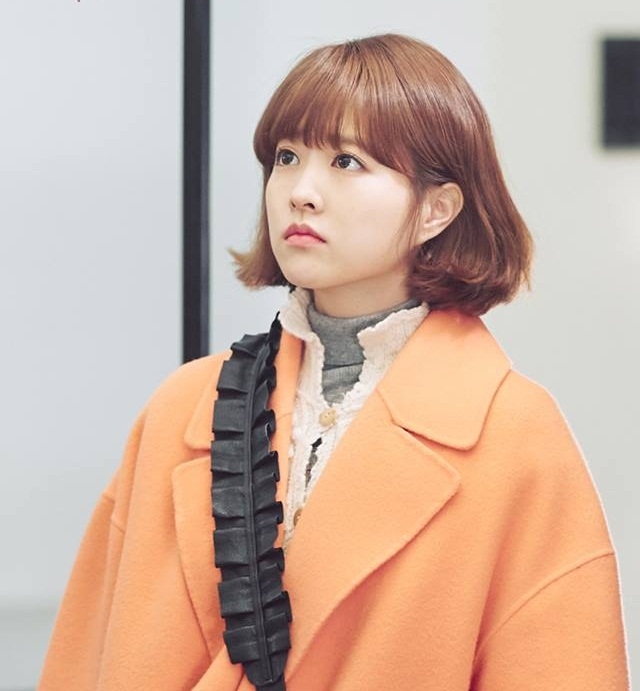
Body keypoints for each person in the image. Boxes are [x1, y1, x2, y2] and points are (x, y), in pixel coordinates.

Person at [39, 34, 629, 690]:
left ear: (436, 209)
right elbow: (86, 659)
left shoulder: (514, 435)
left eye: (347, 161)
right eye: (286, 157)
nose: (301, 191)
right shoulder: (185, 408)